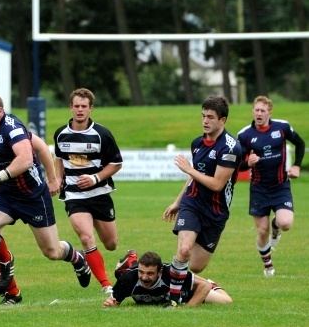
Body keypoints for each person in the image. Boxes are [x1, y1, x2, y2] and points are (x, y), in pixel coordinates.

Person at [0, 91, 91, 306]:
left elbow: (26, 159)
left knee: (52, 251)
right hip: (5, 196)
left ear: (0, 111)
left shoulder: (12, 127)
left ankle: (77, 258)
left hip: (32, 196)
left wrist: (51, 178)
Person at [162, 96, 241, 305]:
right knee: (184, 250)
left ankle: (202, 284)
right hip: (192, 204)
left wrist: (189, 169)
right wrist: (178, 201)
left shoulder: (231, 148)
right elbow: (193, 177)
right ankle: (173, 298)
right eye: (203, 116)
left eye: (211, 117)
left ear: (222, 120)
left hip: (215, 211)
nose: (205, 121)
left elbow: (216, 184)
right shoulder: (197, 143)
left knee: (196, 266)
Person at [54, 87, 123, 296]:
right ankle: (106, 285)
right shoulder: (61, 134)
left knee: (111, 244)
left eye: (84, 106)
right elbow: (58, 159)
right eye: (76, 106)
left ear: (91, 109)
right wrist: (58, 179)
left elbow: (116, 163)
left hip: (100, 193)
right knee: (86, 238)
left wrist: (95, 177)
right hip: (75, 196)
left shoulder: (102, 134)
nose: (80, 110)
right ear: (70, 107)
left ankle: (126, 261)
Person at [237, 95, 305, 278]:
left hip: (281, 186)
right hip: (259, 189)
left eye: (263, 110)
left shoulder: (282, 127)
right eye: (256, 110)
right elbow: (237, 163)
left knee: (286, 223)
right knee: (261, 231)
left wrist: (297, 165)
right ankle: (268, 265)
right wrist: (247, 163)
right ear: (252, 111)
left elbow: (300, 143)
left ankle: (277, 227)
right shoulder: (244, 135)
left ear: (269, 112)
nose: (259, 113)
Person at [103, 250, 232, 307]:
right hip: (129, 273)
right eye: (141, 272)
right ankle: (130, 261)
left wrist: (188, 308)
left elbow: (205, 287)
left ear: (159, 272)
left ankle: (207, 280)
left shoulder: (171, 274)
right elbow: (114, 302)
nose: (144, 277)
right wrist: (110, 304)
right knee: (120, 273)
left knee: (226, 301)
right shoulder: (128, 279)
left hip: (187, 294)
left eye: (150, 273)